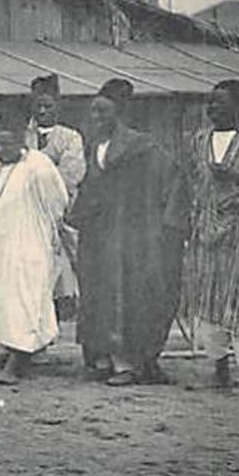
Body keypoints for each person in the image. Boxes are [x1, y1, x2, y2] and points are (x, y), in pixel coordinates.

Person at [67, 79, 186, 386]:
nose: (96, 118)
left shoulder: (145, 148)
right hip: (99, 236)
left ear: (120, 113)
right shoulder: (95, 148)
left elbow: (172, 183)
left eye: (103, 111)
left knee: (129, 295)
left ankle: (129, 364)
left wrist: (167, 226)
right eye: (93, 112)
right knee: (98, 294)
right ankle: (103, 358)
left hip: (134, 236)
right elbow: (91, 190)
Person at [0, 107, 70, 385]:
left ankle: (18, 359)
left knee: (22, 300)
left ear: (22, 140)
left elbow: (57, 203)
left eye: (7, 143)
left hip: (25, 244)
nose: (0, 149)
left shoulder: (38, 166)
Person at [179, 79, 239, 388]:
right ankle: (219, 367)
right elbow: (192, 182)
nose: (213, 108)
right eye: (211, 102)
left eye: (220, 102)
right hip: (207, 233)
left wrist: (236, 179)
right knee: (209, 298)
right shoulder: (198, 141)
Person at [27, 75, 86, 317]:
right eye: (38, 106)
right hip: (27, 211)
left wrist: (42, 182)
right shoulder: (23, 136)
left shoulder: (70, 137)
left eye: (48, 106)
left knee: (62, 263)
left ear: (57, 107)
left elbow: (70, 174)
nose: (42, 111)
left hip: (59, 210)